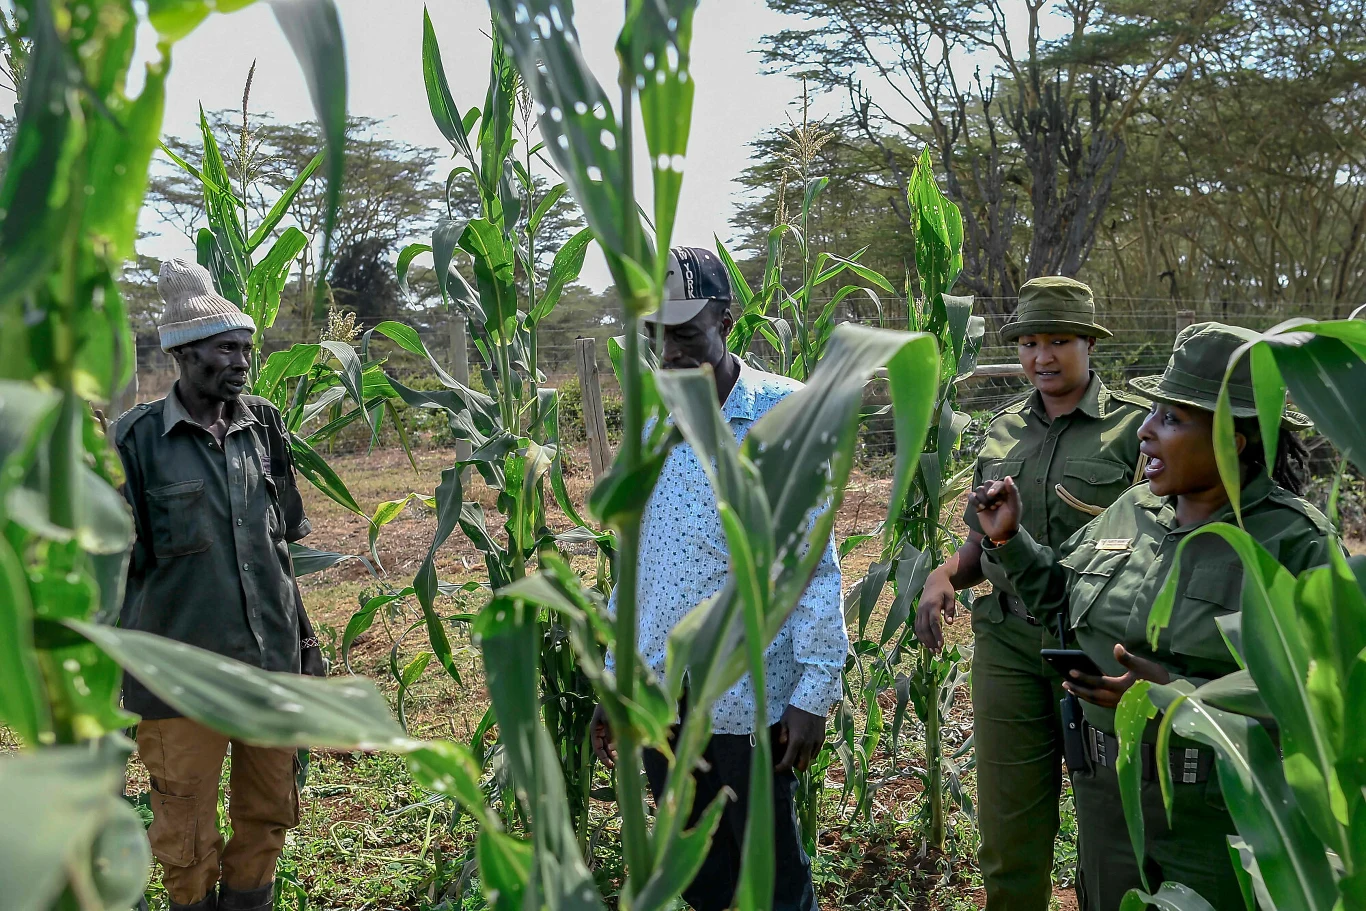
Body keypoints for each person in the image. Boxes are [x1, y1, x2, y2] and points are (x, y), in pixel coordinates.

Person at [972, 322, 1332, 910]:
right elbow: (1061, 601)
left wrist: (1176, 697)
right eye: (1152, 413)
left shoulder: (1292, 542)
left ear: (1231, 439)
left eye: (1170, 418)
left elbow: (1325, 699)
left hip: (1213, 811)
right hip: (1106, 797)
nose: (1143, 431)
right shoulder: (1134, 509)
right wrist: (1011, 541)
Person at [589, 246, 846, 911]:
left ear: (726, 320)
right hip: (664, 704)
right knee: (701, 880)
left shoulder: (784, 415)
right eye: (657, 338)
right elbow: (636, 567)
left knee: (775, 887)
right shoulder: (652, 423)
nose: (671, 355)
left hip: (752, 705)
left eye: (686, 335)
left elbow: (814, 563)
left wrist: (815, 694)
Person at [913, 276, 1149, 910]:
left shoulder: (1133, 433)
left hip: (1100, 652)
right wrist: (943, 577)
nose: (1041, 357)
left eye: (1060, 341)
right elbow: (982, 542)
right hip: (1009, 645)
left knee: (1116, 834)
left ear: (1090, 345)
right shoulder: (1002, 432)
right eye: (1028, 343)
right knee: (1010, 831)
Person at [114, 259, 326, 911]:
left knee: (268, 814)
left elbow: (281, 547)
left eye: (245, 348)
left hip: (267, 668)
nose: (241, 361)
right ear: (184, 353)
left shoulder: (264, 425)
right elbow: (118, 573)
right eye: (226, 349)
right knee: (184, 831)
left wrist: (308, 650)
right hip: (181, 681)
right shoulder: (136, 441)